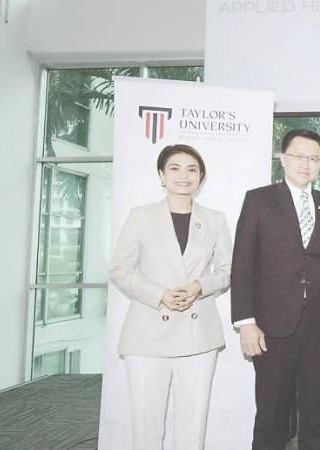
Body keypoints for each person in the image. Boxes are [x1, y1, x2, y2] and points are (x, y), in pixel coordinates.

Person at [231, 128, 320, 450]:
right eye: (299, 156)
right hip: (271, 328)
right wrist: (246, 322)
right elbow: (242, 264)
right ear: (283, 158)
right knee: (272, 414)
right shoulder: (259, 200)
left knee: (317, 414)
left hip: (319, 328)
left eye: (314, 158)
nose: (306, 163)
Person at [110, 144, 232, 450]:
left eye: (192, 169)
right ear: (162, 175)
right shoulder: (140, 216)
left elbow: (229, 270)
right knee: (146, 426)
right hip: (147, 333)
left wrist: (199, 286)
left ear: (201, 177)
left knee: (193, 426)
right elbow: (120, 269)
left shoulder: (215, 219)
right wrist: (160, 294)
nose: (183, 175)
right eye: (174, 168)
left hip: (198, 332)